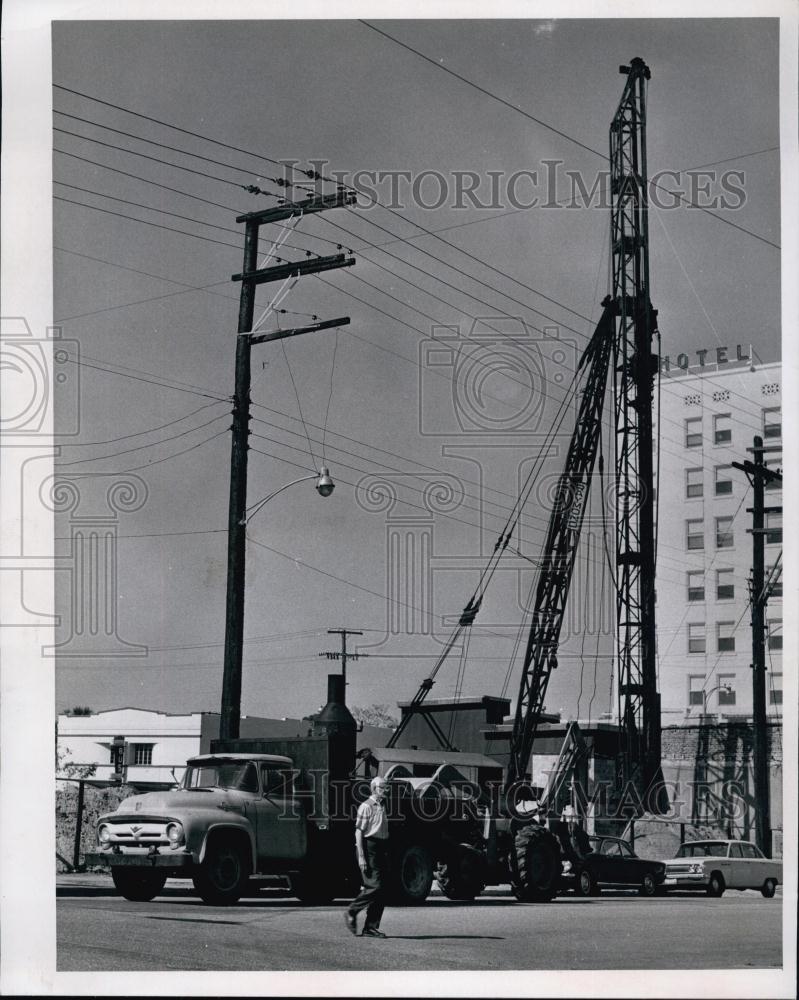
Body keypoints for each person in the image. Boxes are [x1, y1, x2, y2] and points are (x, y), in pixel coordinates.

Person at [344, 776, 390, 938]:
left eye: (387, 787)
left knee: (383, 889)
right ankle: (352, 910)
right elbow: (358, 832)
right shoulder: (366, 806)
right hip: (369, 847)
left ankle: (370, 927)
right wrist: (361, 857)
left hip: (381, 848)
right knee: (375, 886)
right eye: (383, 787)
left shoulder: (382, 805)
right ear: (374, 788)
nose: (386, 790)